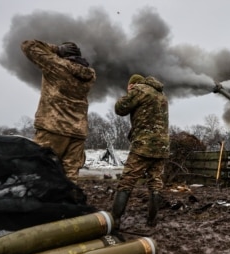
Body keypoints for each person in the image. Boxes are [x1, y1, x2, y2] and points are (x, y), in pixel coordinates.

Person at [21, 40, 96, 184]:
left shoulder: (57, 66)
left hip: (54, 128)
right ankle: (68, 204)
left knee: (41, 171)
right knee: (70, 176)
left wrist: (55, 49)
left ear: (63, 54)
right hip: (78, 132)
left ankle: (43, 205)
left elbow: (28, 45)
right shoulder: (90, 75)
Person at [111, 74, 169, 235]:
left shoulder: (139, 90)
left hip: (143, 145)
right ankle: (152, 220)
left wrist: (131, 90)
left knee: (127, 182)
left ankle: (114, 221)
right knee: (155, 183)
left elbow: (119, 108)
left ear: (133, 84)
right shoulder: (161, 94)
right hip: (162, 146)